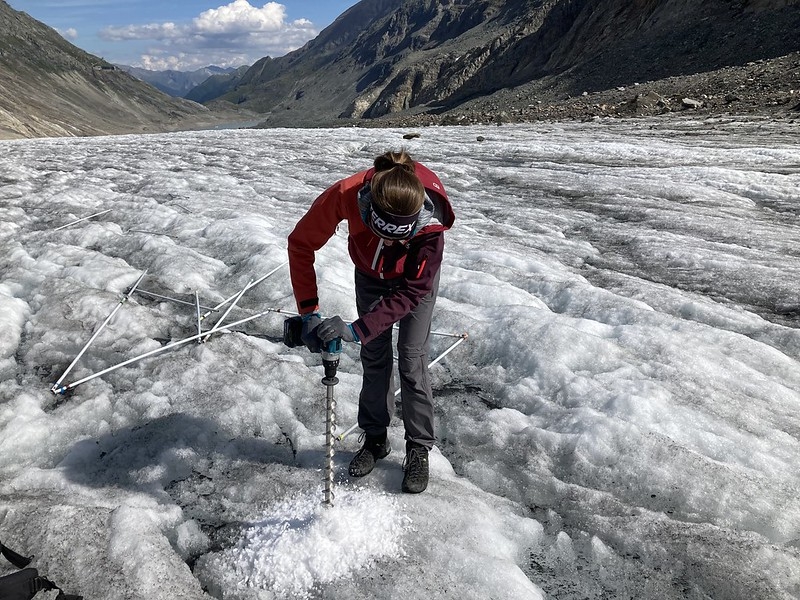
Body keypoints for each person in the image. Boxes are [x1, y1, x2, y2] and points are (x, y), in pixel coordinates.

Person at [287, 150, 455, 493]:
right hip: (370, 274)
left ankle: (418, 447)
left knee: (411, 356)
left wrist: (356, 328)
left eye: (398, 237)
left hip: (412, 284)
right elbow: (301, 243)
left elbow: (413, 292)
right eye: (383, 233)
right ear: (368, 206)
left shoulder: (430, 224)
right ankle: (375, 439)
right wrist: (308, 312)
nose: (391, 243)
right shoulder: (347, 195)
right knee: (374, 355)